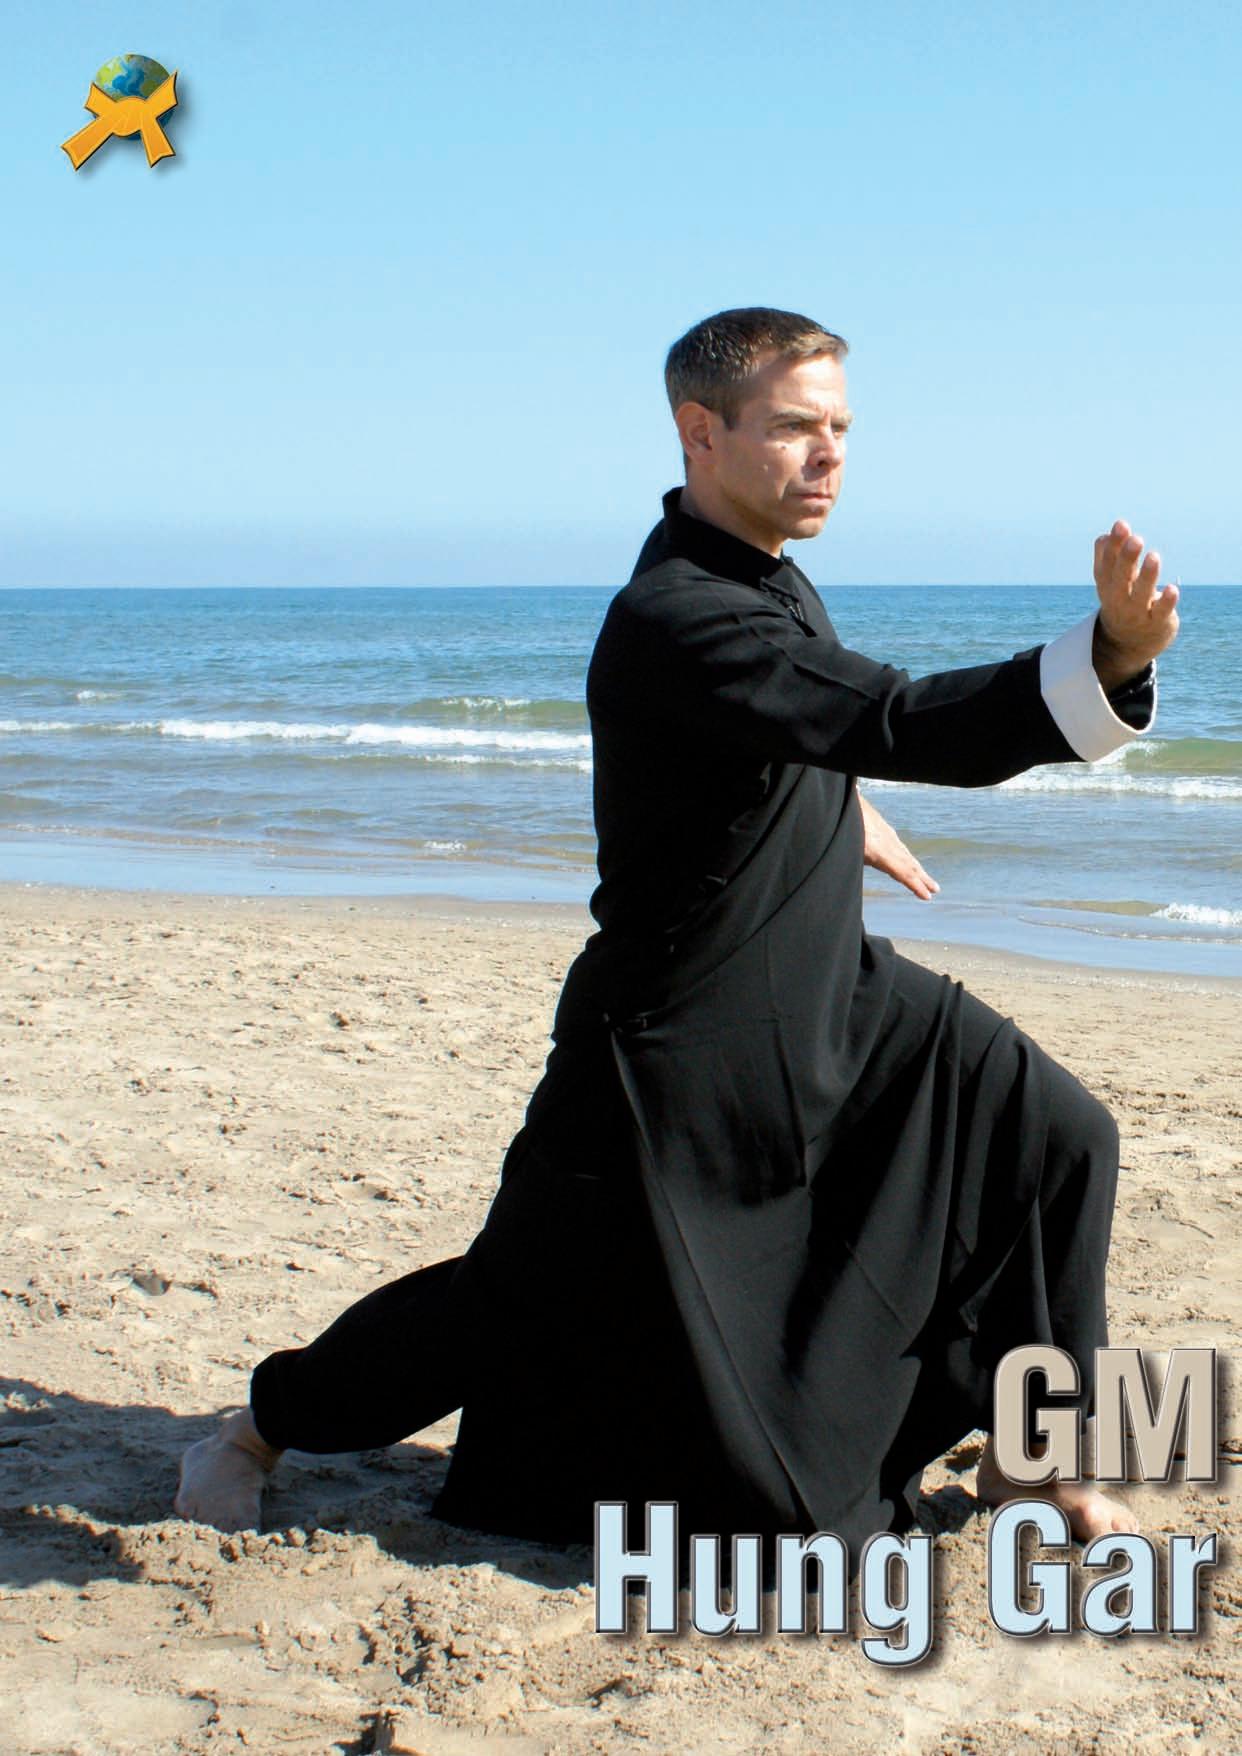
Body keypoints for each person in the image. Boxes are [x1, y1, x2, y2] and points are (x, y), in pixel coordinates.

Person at [177, 307, 1177, 1552]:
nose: (830, 453)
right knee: (516, 1294)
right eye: (796, 426)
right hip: (674, 1033)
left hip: (829, 987)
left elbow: (784, 732)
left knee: (1057, 1131)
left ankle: (1042, 1459)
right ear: (702, 433)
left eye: (842, 426)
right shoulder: (678, 614)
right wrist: (1110, 654)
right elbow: (893, 717)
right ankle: (255, 1428)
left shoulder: (766, 576)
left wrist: (835, 810)